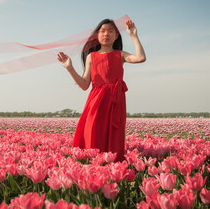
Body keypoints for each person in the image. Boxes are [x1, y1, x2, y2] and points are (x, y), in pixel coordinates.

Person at [57, 18, 146, 162]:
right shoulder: (91, 57)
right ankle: (93, 166)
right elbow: (85, 84)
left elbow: (141, 57)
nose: (106, 34)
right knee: (94, 132)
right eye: (102, 31)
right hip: (96, 102)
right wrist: (70, 68)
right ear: (97, 36)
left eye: (111, 31)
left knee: (114, 135)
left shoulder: (120, 54)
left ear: (116, 35)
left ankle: (113, 170)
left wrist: (134, 36)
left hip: (116, 102)